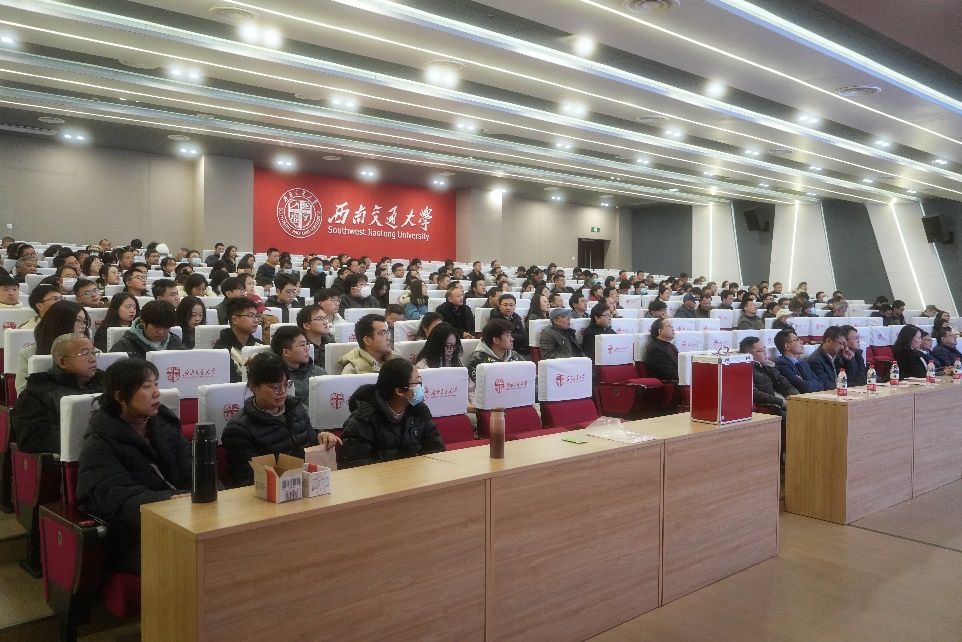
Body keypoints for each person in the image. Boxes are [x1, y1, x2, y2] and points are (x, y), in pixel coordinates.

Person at [77, 359, 190, 573]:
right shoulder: (99, 443)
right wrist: (169, 501)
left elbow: (192, 468)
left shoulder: (165, 425)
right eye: (146, 386)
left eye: (156, 384)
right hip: (135, 534)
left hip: (182, 518)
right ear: (120, 397)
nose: (156, 392)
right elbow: (118, 499)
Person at [219, 353, 338, 487]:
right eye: (274, 387)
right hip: (271, 491)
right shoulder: (238, 430)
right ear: (253, 387)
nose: (282, 391)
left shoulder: (295, 408)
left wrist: (321, 436)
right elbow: (247, 480)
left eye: (286, 384)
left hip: (307, 485)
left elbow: (308, 444)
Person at [338, 358, 445, 469]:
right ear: (399, 391)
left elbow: (436, 448)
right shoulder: (362, 421)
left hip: (415, 475)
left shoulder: (419, 410)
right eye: (418, 382)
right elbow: (357, 466)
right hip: (381, 478)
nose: (422, 388)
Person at [12, 333, 105, 453]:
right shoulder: (36, 393)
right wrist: (90, 440)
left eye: (93, 352)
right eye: (85, 353)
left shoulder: (107, 383)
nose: (92, 359)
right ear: (62, 362)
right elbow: (32, 437)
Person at [16, 300, 91, 394]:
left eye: (84, 322)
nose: (83, 326)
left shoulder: (94, 352)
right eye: (78, 320)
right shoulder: (28, 354)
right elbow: (22, 392)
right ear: (61, 322)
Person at [213, 297, 272, 382]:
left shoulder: (259, 345)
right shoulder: (222, 350)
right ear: (235, 320)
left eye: (256, 316)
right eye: (251, 316)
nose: (256, 320)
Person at [740, 336, 798, 413]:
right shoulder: (745, 371)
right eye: (761, 351)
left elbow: (786, 385)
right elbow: (754, 394)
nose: (765, 353)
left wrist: (797, 398)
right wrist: (782, 402)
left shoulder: (769, 366)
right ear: (748, 355)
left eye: (764, 349)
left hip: (785, 404)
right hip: (772, 408)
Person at [111, 300, 185, 358]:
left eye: (166, 327)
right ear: (143, 322)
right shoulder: (125, 347)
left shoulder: (174, 341)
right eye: (156, 327)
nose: (161, 332)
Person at [270, 326, 326, 401]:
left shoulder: (319, 373)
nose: (307, 349)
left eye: (306, 344)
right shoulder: (277, 379)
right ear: (286, 352)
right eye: (302, 345)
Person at [466, 318, 525, 384]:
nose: (512, 339)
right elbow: (479, 387)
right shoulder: (477, 360)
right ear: (496, 340)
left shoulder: (514, 356)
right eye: (508, 335)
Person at [807, 326, 845, 390]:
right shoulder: (815, 360)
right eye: (840, 343)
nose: (842, 347)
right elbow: (826, 385)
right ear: (828, 341)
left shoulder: (838, 357)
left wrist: (850, 360)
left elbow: (849, 380)